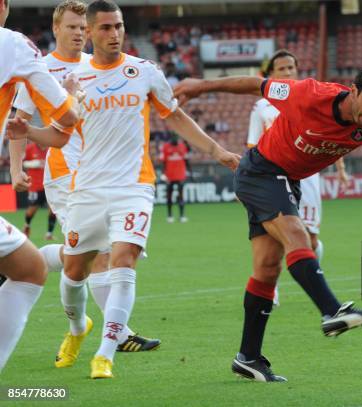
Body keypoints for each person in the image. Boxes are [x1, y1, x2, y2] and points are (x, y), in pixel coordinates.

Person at [175, 65, 362, 382]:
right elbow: (254, 84)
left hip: (288, 180)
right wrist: (199, 86)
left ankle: (248, 357)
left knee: (268, 268)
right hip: (261, 172)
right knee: (298, 235)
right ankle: (333, 311)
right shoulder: (308, 94)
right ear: (352, 90)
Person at [9, 0, 240, 379]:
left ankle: (106, 351)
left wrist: (217, 150)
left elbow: (175, 116)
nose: (112, 34)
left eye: (118, 26)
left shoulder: (144, 71)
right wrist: (27, 133)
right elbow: (58, 134)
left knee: (122, 261)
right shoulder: (71, 81)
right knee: (74, 269)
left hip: (135, 186)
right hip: (84, 186)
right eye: (104, 28)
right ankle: (77, 327)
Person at [10, 0, 160, 355]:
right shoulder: (39, 68)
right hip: (65, 175)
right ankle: (120, 335)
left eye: (82, 27)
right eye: (72, 27)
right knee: (100, 256)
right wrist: (17, 168)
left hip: (105, 176)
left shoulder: (97, 66)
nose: (79, 33)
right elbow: (21, 120)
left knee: (86, 256)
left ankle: (23, 259)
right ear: (57, 28)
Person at [0, 0, 80, 373]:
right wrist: (72, 95)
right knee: (30, 271)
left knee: (30, 263)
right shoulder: (13, 44)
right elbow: (66, 116)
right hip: (66, 174)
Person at [247, 49, 348, 306]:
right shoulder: (261, 107)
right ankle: (273, 285)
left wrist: (341, 169)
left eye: (291, 68)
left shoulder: (309, 99)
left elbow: (330, 137)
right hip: (273, 176)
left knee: (310, 238)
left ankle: (313, 279)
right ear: (271, 74)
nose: (288, 72)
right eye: (282, 69)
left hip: (308, 177)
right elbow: (252, 145)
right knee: (278, 237)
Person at [21, 142, 57, 240]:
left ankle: (49, 234)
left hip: (50, 184)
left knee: (53, 210)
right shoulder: (30, 148)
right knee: (31, 211)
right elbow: (22, 162)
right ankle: (27, 226)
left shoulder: (51, 148)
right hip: (35, 186)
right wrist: (35, 163)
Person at [160, 135, 189, 223]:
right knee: (169, 196)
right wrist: (163, 174)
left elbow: (186, 160)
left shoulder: (182, 146)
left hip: (180, 175)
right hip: (170, 175)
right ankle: (170, 216)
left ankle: (182, 216)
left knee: (181, 196)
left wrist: (188, 172)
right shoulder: (166, 147)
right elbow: (163, 162)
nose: (175, 141)